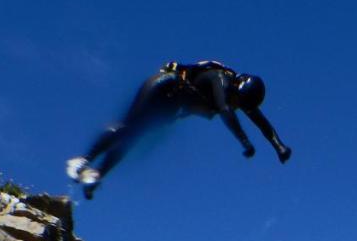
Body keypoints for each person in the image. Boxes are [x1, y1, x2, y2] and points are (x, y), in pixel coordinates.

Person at [66, 60, 291, 199]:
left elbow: (261, 122)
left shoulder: (238, 97)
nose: (237, 104)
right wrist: (245, 142)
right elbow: (224, 109)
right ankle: (83, 161)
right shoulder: (220, 79)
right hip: (164, 88)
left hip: (172, 107)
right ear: (237, 87)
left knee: (133, 138)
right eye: (238, 100)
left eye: (241, 104)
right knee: (128, 127)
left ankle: (97, 174)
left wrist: (279, 146)